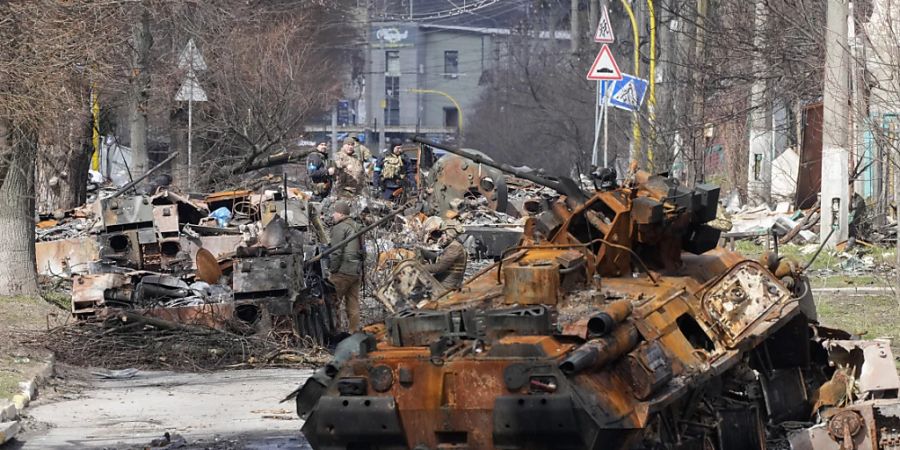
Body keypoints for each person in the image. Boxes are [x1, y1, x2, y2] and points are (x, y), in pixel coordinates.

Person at [327, 200, 363, 332]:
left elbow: (336, 252)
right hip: (356, 271)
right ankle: (353, 331)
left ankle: (335, 332)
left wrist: (332, 270)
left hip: (343, 271)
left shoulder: (339, 228)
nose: (333, 215)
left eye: (335, 213)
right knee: (353, 303)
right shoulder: (356, 225)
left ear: (341, 214)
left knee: (332, 302)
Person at [421, 219, 468, 290]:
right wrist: (423, 251)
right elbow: (440, 258)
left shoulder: (454, 248)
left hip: (446, 288)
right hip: (442, 285)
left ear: (449, 234)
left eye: (442, 234)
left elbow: (439, 267)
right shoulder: (453, 246)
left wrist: (420, 267)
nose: (441, 237)